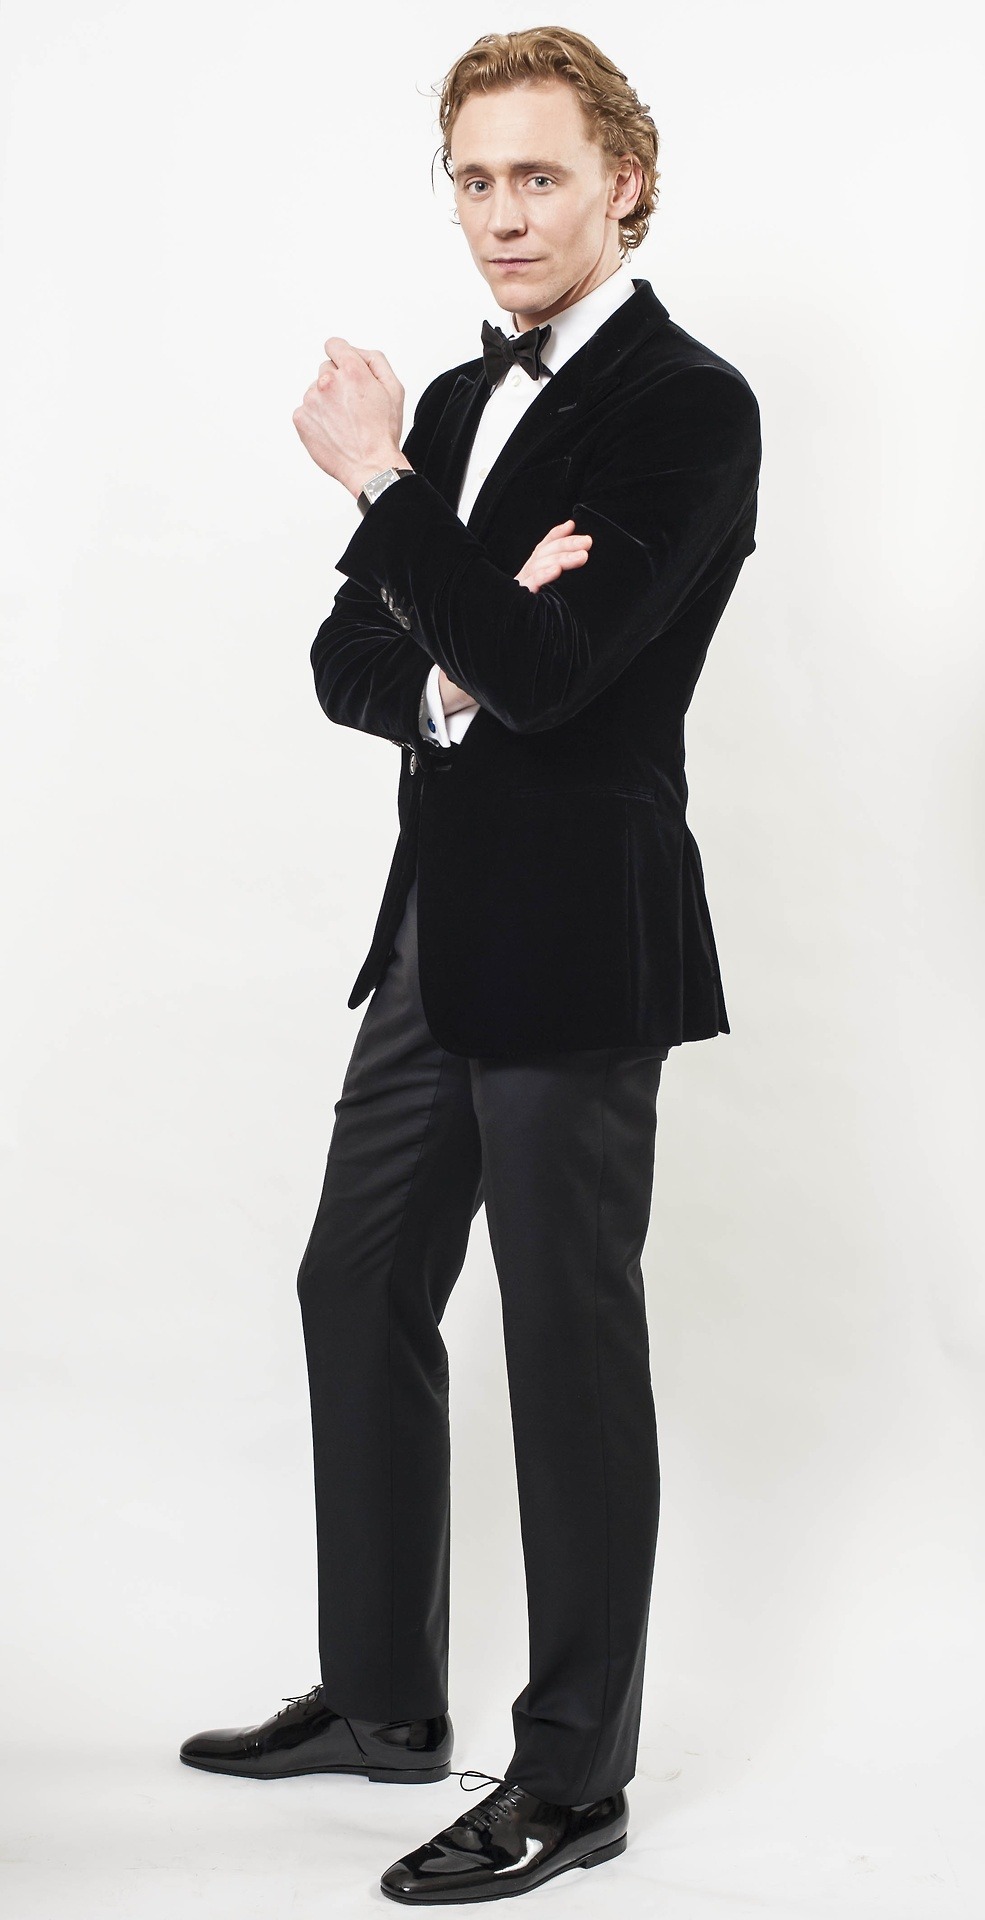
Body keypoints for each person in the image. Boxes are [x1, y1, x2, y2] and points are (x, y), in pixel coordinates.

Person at [180, 24, 761, 1906]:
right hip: (434, 929)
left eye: (538, 176)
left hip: (583, 940)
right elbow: (352, 665)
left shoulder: (690, 407)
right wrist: (462, 628)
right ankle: (380, 1702)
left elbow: (556, 678)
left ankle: (572, 1780)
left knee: (565, 1350)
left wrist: (383, 497)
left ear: (622, 186)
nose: (501, 213)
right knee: (354, 1284)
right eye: (474, 177)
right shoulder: (449, 397)